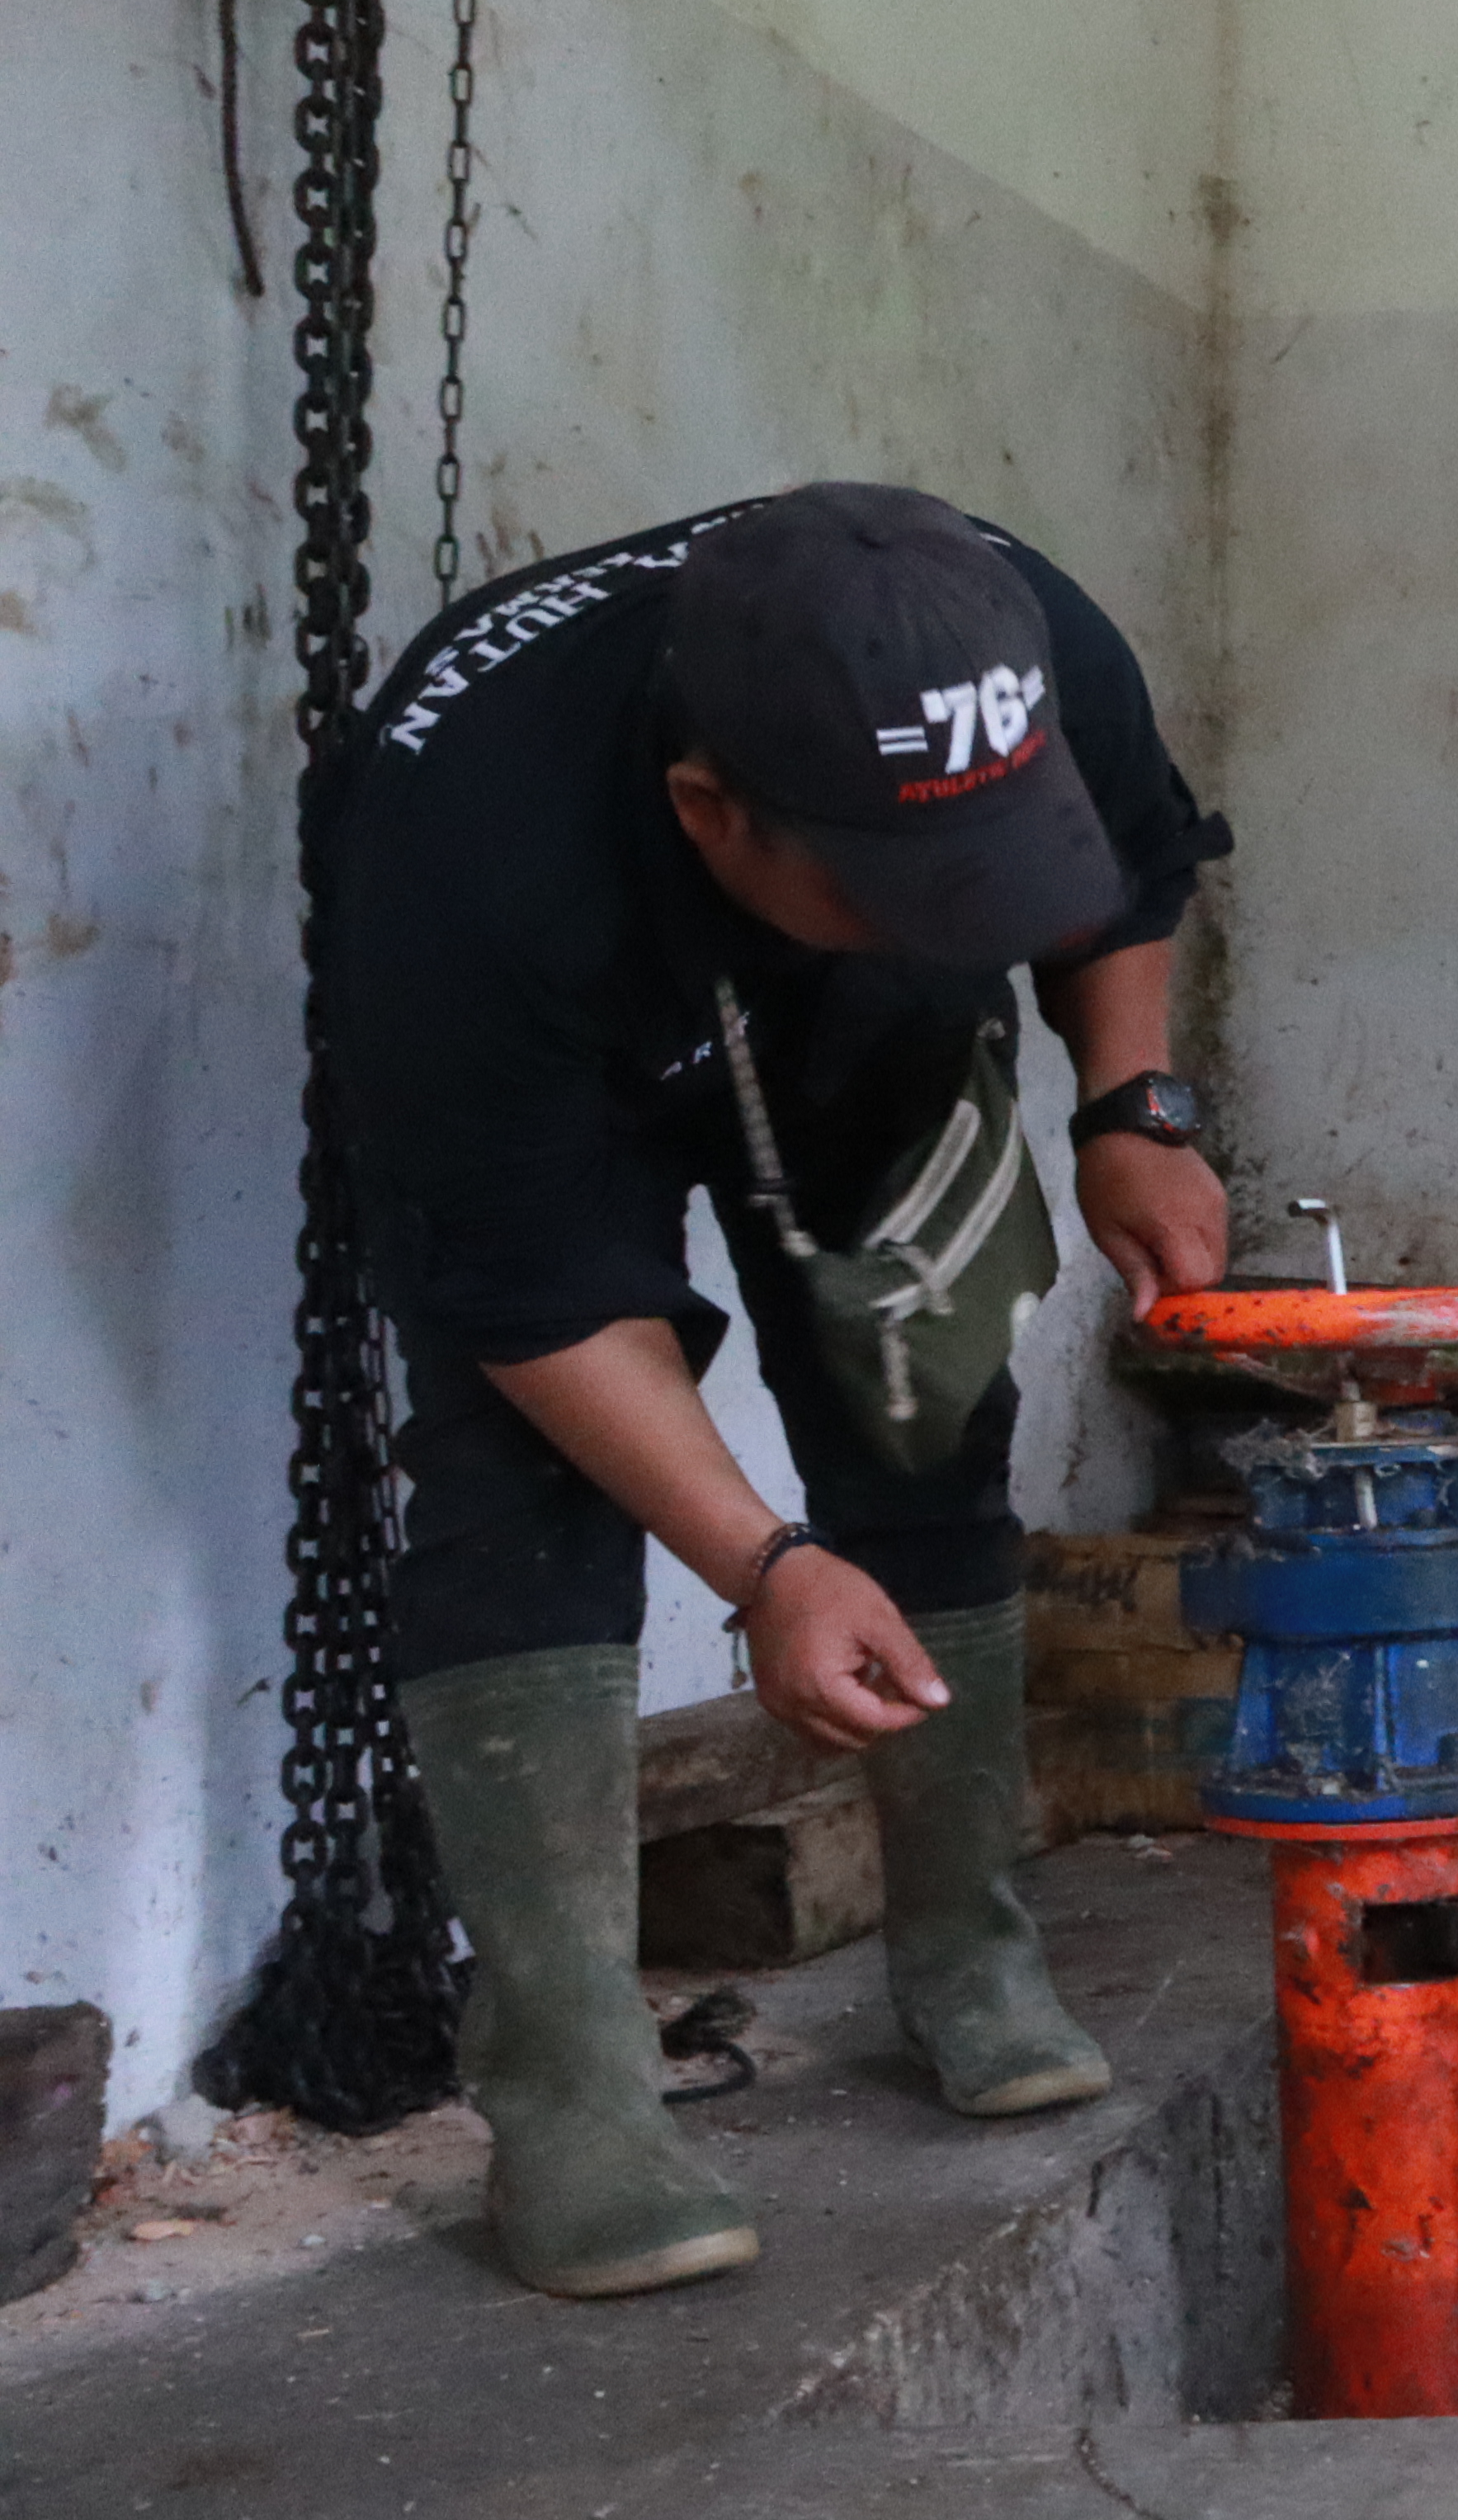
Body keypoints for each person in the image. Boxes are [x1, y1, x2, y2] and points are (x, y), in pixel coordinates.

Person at [330, 483, 1233, 2297]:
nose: (961, 914)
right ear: (708, 810)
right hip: (566, 1032)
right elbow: (533, 1293)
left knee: (927, 1391)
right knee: (523, 1494)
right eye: (922, 885)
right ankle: (575, 2096)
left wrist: (1130, 1108)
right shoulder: (463, 853)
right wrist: (761, 1564)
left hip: (852, 1000)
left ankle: (969, 1952)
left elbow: (1126, 864)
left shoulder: (1023, 628)